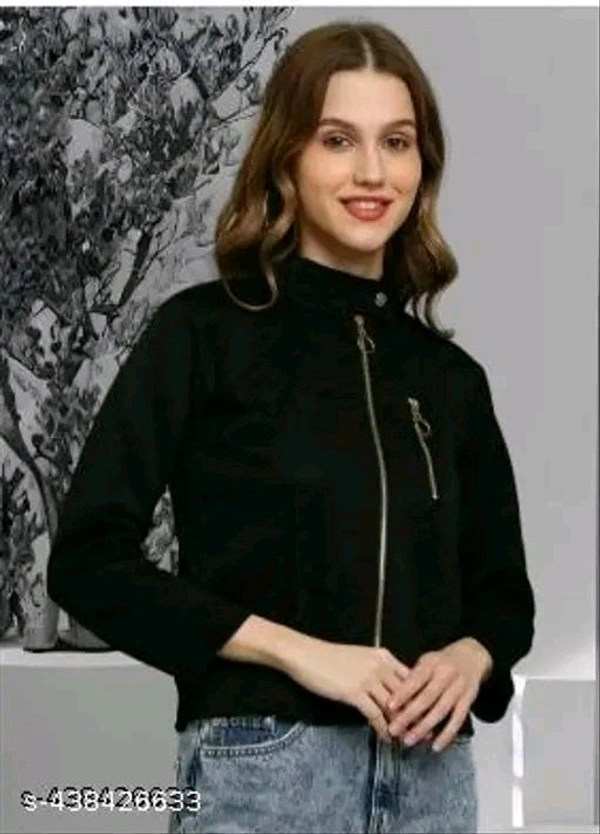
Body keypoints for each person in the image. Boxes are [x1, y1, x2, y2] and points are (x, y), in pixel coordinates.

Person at [47, 19, 536, 834]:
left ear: (422, 164)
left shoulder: (450, 380)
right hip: (266, 774)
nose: (372, 172)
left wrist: (468, 657)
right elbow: (87, 561)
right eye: (338, 140)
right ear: (287, 158)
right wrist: (299, 653)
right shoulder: (203, 335)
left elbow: (503, 597)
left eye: (397, 142)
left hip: (433, 783)